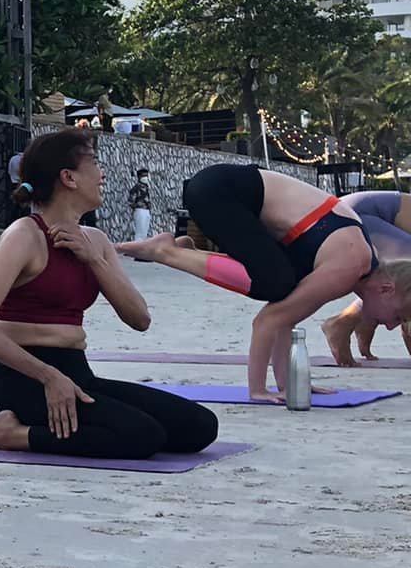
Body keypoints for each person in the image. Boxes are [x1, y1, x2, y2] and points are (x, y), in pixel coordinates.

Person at [0, 130, 218, 460]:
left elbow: (139, 318)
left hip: (78, 373)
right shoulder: (25, 236)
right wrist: (49, 376)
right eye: (94, 163)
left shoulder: (95, 240)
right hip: (25, 379)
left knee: (199, 425)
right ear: (68, 177)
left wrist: (93, 258)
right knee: (142, 436)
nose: (103, 173)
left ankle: (36, 428)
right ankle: (12, 434)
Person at [121, 165, 411, 401]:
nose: (391, 326)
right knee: (272, 285)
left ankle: (178, 250)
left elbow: (286, 315)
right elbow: (269, 320)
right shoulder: (351, 265)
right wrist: (257, 390)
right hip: (219, 193)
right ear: (386, 288)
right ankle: (166, 251)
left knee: (281, 287)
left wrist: (292, 385)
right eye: (398, 316)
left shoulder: (359, 261)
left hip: (227, 190)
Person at [323, 190, 411, 365]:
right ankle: (345, 322)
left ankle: (363, 320)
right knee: (403, 281)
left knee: (396, 281)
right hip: (354, 215)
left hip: (347, 211)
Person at [128, 168, 154, 242]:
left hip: (146, 210)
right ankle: (137, 249)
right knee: (140, 232)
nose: (145, 178)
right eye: (143, 176)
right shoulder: (136, 188)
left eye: (146, 176)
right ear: (139, 177)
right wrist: (136, 206)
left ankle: (142, 249)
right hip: (140, 210)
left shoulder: (146, 187)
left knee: (144, 233)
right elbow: (130, 201)